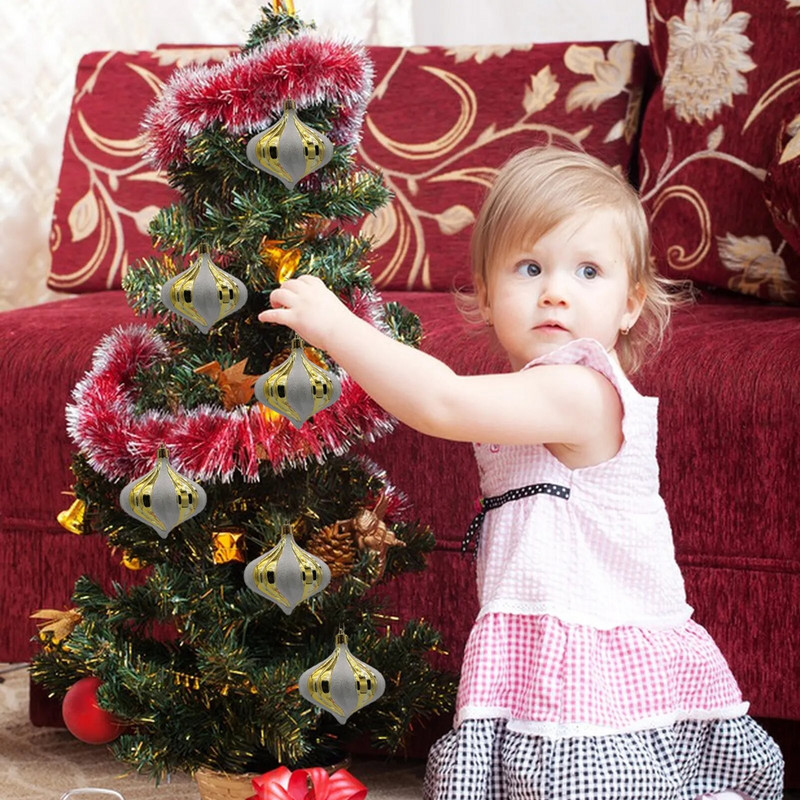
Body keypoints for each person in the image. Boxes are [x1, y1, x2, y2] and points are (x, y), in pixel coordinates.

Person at [258, 147, 784, 799]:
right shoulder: (532, 391)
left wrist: (337, 328)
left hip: (599, 677)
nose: (556, 290)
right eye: (530, 267)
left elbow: (442, 401)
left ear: (630, 303)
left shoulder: (583, 390)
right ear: (486, 293)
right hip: (541, 648)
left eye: (589, 271)